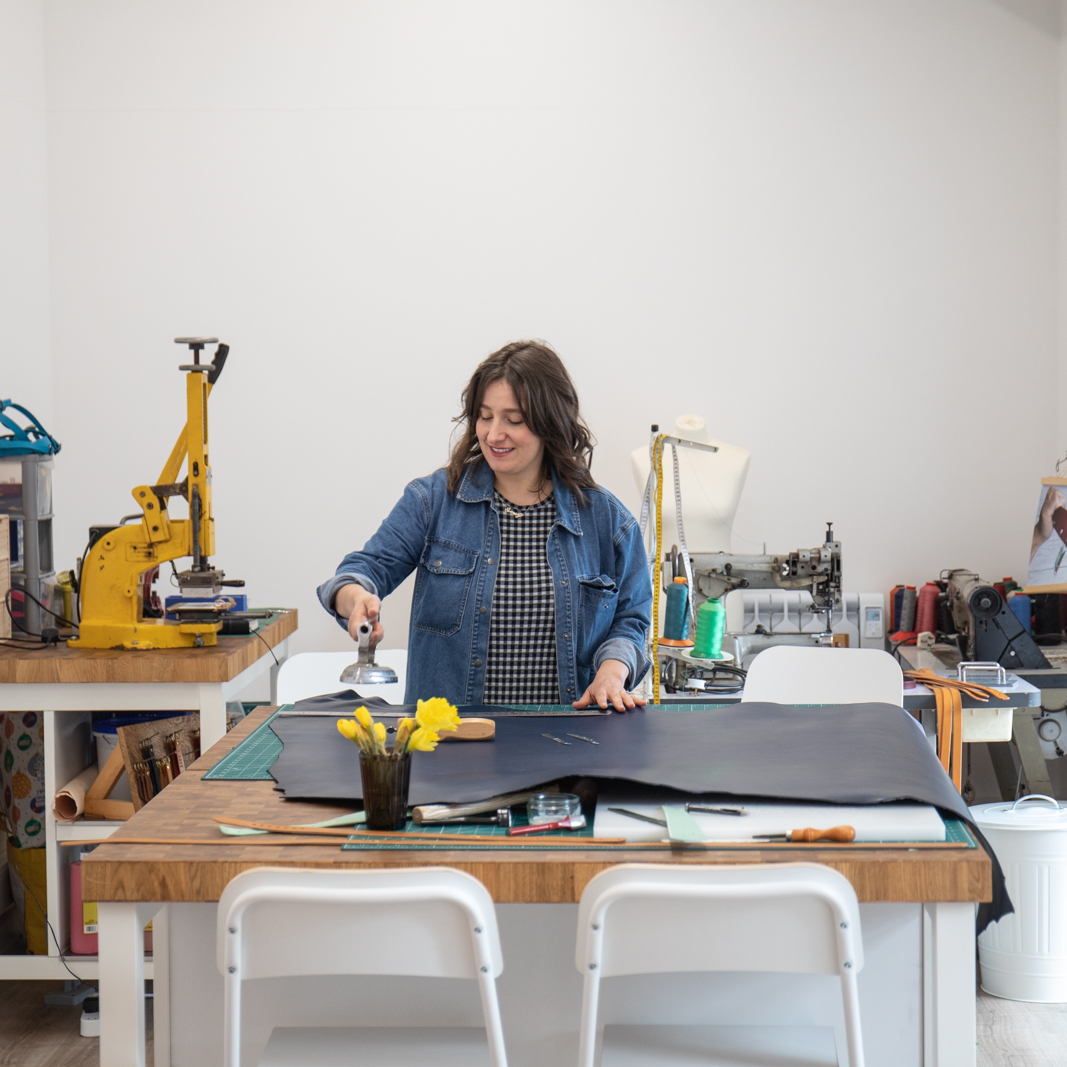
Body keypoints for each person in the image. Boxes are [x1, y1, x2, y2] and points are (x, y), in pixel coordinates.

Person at [317, 340, 653, 710]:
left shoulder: (607, 520)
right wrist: (356, 599)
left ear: (551, 423)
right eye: (485, 416)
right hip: (450, 737)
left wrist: (612, 672)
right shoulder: (432, 501)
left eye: (514, 420)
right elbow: (361, 571)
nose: (493, 435)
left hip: (568, 735)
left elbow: (632, 618)